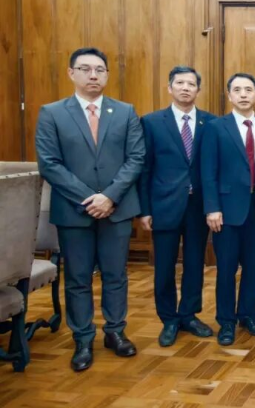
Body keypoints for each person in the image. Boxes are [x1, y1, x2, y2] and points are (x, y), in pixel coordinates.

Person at [35, 47, 145, 372]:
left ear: (107, 75)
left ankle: (115, 332)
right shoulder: (52, 113)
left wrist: (109, 196)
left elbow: (136, 158)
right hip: (74, 211)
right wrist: (90, 198)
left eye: (99, 69)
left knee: (116, 274)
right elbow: (49, 164)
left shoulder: (125, 112)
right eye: (85, 69)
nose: (93, 75)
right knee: (78, 277)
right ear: (71, 73)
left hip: (117, 208)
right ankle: (83, 339)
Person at [138, 66, 215, 347]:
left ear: (198, 90)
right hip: (164, 205)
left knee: (195, 264)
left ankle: (189, 315)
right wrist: (145, 209)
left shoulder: (211, 123)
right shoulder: (151, 122)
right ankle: (168, 319)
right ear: (169, 88)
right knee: (164, 266)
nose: (185, 88)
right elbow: (145, 169)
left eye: (191, 84)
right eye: (179, 83)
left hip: (198, 207)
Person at [201, 73, 255, 346]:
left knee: (253, 267)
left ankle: (248, 315)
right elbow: (208, 171)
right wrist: (212, 208)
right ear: (229, 95)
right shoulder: (215, 128)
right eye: (238, 90)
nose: (243, 94)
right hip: (226, 211)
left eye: (248, 90)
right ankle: (226, 321)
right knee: (226, 268)